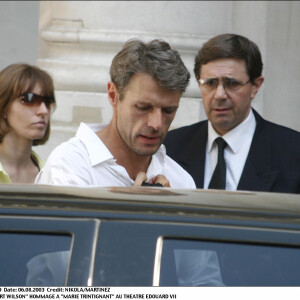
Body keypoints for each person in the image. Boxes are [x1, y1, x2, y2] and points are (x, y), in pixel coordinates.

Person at [35, 39, 195, 188]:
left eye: (168, 110)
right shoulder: (69, 166)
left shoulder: (181, 181)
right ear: (113, 95)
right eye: (143, 107)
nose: (156, 124)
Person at [164, 33, 300, 193]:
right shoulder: (170, 148)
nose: (219, 95)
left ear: (255, 86)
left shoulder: (293, 152)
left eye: (232, 83)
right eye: (210, 83)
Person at [0, 63, 56, 183]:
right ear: (4, 107)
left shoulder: (51, 176)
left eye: (47, 101)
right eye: (29, 99)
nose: (44, 111)